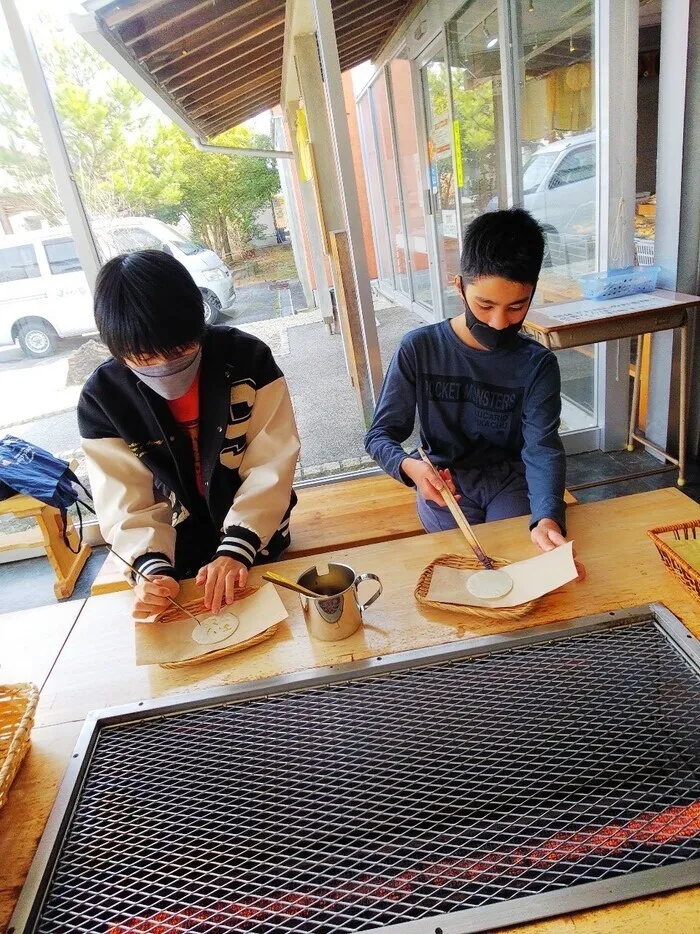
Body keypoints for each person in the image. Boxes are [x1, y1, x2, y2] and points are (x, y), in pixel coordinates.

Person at [78, 250, 300, 620]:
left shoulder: (248, 359)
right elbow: (125, 501)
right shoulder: (104, 398)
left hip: (257, 537)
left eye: (182, 350)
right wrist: (150, 569)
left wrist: (236, 548)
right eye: (144, 358)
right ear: (115, 349)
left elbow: (271, 463)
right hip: (173, 556)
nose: (166, 368)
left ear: (200, 324)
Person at [365, 208, 572, 556]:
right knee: (465, 564)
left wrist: (547, 516)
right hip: (444, 484)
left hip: (510, 481)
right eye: (485, 304)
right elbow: (379, 435)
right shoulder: (419, 348)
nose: (498, 322)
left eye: (516, 307)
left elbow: (542, 448)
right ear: (459, 285)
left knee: (517, 557)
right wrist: (411, 468)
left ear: (533, 293)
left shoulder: (537, 365)